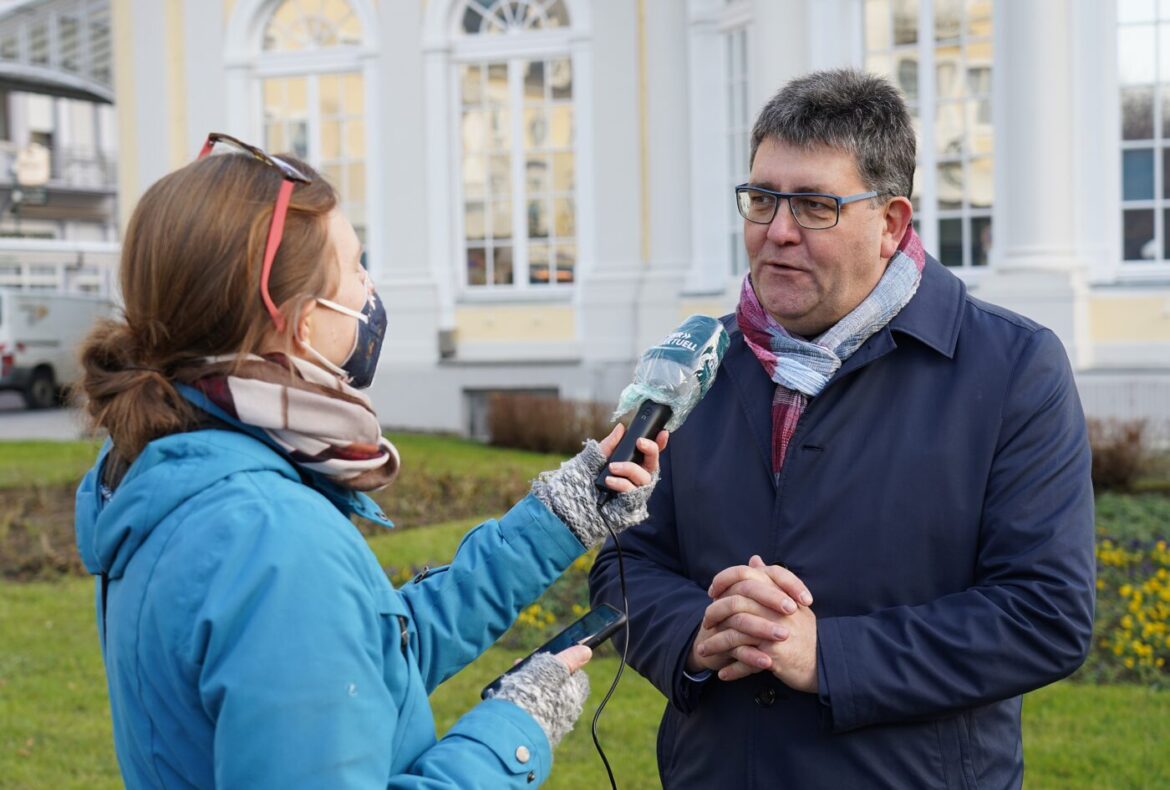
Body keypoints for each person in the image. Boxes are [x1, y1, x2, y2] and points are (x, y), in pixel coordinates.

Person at [74, 132, 667, 788]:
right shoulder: (270, 539)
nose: (369, 290)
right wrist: (512, 730)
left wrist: (560, 517)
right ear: (300, 321)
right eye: (356, 267)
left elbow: (347, 665)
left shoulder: (168, 474)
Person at [589, 69, 1095, 788]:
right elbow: (625, 564)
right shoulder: (695, 363)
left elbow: (1045, 613)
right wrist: (697, 633)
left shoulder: (1014, 368)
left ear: (890, 223)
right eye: (761, 199)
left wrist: (828, 655)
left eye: (815, 205)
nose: (778, 232)